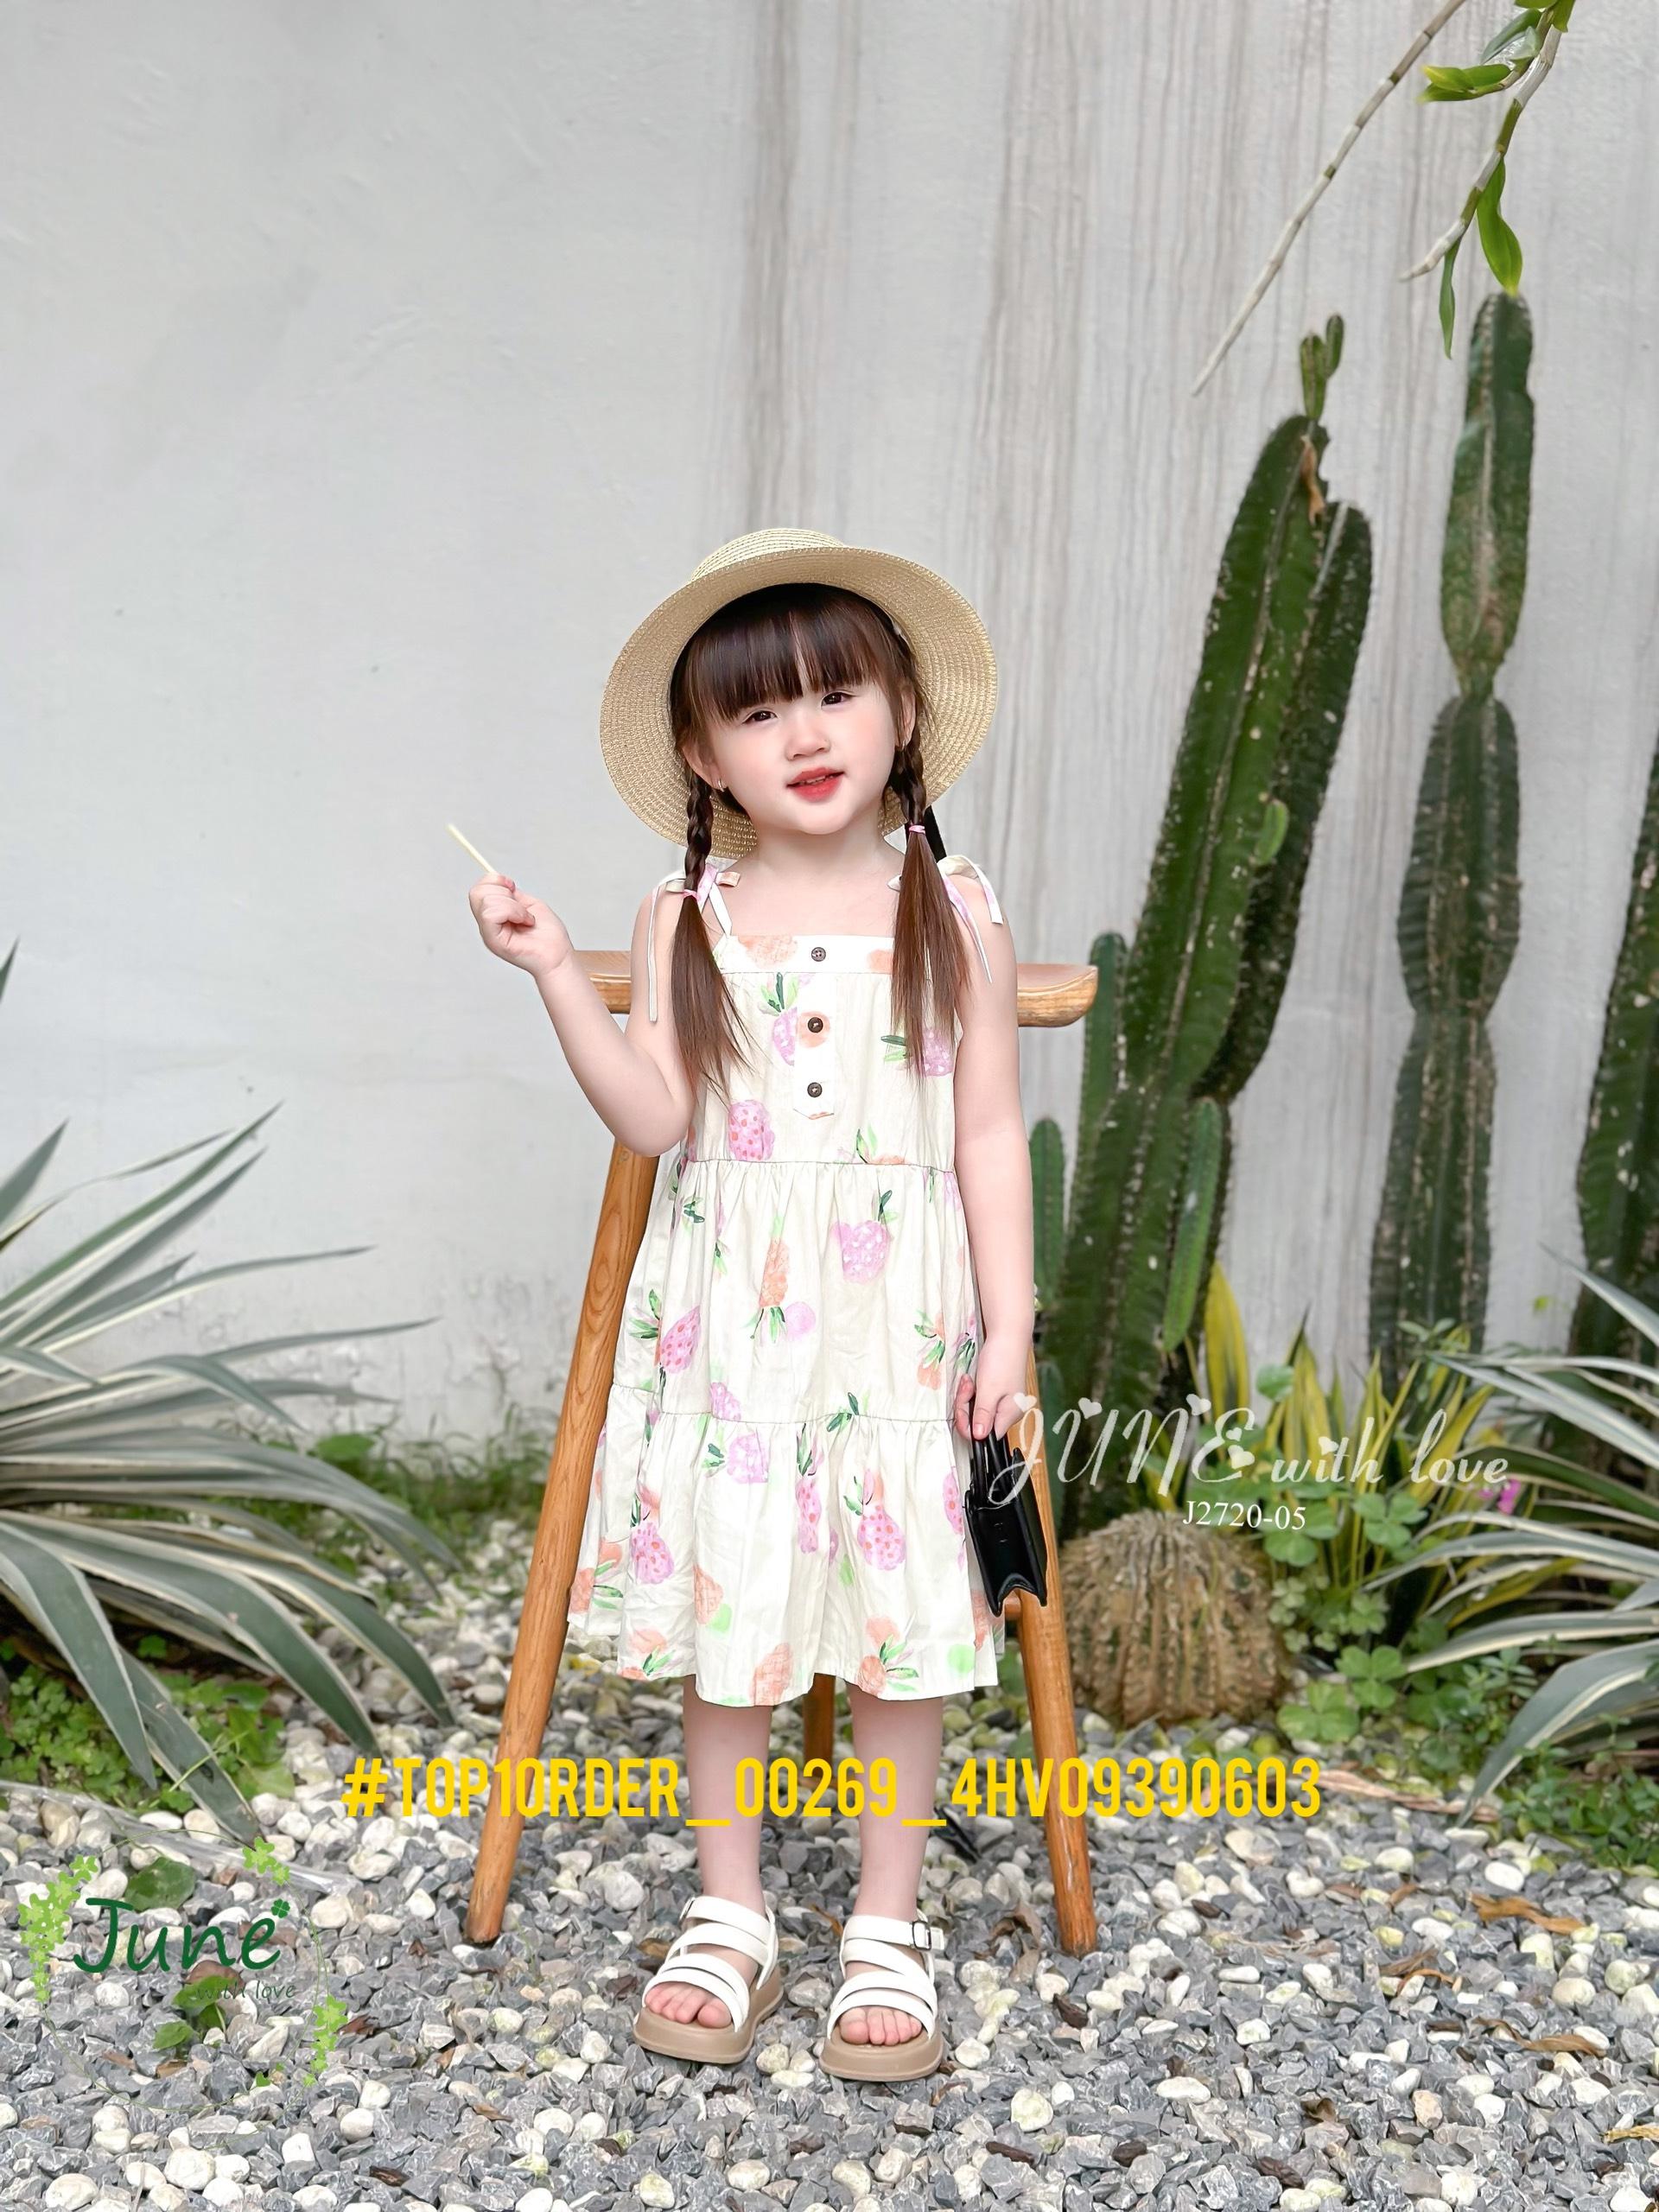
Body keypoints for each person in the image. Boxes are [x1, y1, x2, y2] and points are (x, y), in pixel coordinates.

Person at [468, 527, 1034, 2082]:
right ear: (703, 755)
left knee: (903, 1631)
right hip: (731, 1337)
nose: (807, 734)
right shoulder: (687, 915)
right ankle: (731, 1913)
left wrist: (1010, 1330)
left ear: (903, 713)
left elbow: (988, 1132)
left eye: (837, 694)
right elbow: (655, 1117)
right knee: (731, 1617)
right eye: (761, 710)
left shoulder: (955, 907)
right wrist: (555, 974)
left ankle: (886, 1922)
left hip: (898, 1331)